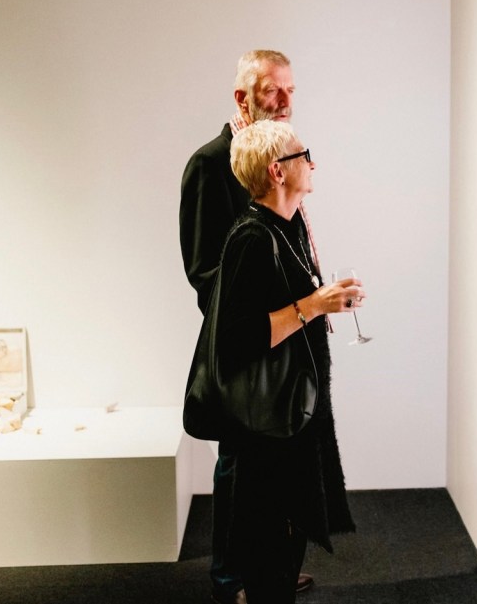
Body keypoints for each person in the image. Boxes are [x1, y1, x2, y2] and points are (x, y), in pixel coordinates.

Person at [179, 50, 315, 603]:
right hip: (243, 344)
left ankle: (269, 569)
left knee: (277, 463)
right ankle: (230, 579)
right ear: (242, 98)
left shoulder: (282, 156)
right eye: (271, 91)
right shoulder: (211, 164)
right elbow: (203, 268)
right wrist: (251, 320)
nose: (284, 101)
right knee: (238, 465)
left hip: (285, 335)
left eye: (289, 90)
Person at [216, 119, 357, 603]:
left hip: (295, 416)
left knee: (287, 544)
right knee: (270, 554)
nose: (312, 163)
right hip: (270, 426)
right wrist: (316, 305)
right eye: (304, 155)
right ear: (278, 171)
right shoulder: (252, 238)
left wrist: (324, 300)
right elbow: (240, 338)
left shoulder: (288, 228)